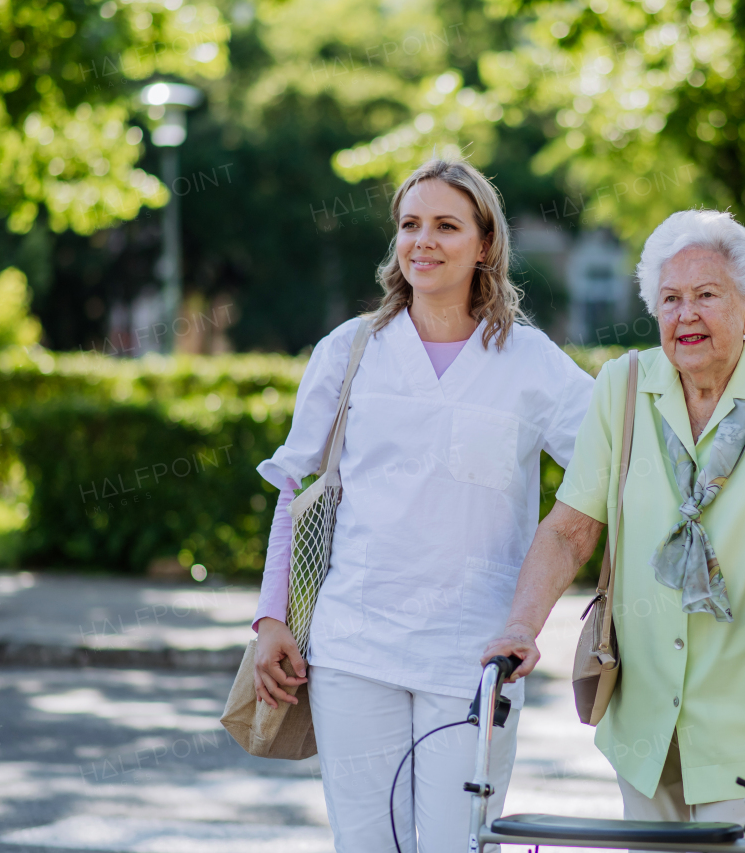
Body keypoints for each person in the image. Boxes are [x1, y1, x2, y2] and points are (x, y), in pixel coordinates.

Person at [252, 158, 594, 853]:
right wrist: (269, 618)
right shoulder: (350, 351)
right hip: (353, 647)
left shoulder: (530, 361)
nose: (423, 241)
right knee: (367, 845)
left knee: (458, 846)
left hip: (473, 656)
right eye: (410, 224)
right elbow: (295, 489)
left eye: (446, 225)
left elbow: (608, 469)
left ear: (485, 244)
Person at [483, 209, 745, 828]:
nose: (686, 315)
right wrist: (521, 626)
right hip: (642, 710)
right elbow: (571, 530)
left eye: (707, 296)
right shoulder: (622, 388)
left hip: (743, 710)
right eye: (671, 299)